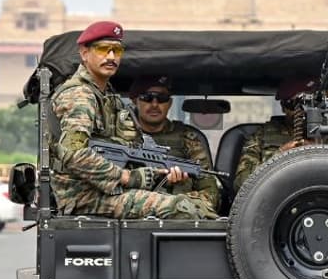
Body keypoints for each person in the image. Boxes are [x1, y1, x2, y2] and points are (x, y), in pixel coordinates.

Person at [50, 21, 210, 219]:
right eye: (103, 49)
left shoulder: (108, 96)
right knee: (182, 208)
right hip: (85, 197)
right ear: (84, 53)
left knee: (192, 202)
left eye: (116, 51)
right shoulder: (80, 95)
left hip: (108, 192)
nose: (111, 57)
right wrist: (126, 177)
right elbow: (74, 153)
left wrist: (160, 175)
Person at [129, 75, 221, 217]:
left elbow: (211, 193)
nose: (154, 104)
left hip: (176, 220)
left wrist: (178, 195)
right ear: (135, 101)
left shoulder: (187, 138)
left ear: (170, 103)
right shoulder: (121, 136)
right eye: (147, 97)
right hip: (129, 216)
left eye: (162, 98)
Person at [233, 77, 328, 193]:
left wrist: (320, 154)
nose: (302, 111)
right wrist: (279, 157)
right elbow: (241, 185)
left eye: (309, 104)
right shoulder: (260, 137)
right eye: (294, 104)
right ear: (283, 107)